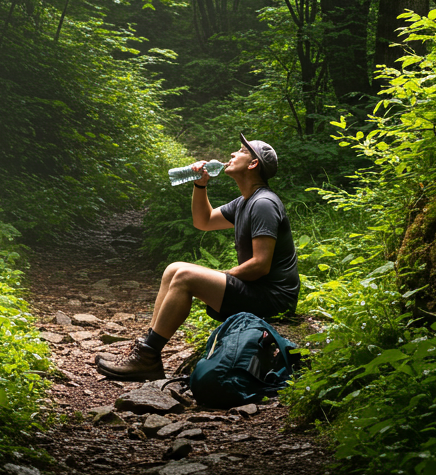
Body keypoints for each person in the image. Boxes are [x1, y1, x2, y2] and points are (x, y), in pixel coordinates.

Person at [95, 134, 299, 381]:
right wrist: (200, 185)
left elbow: (260, 265)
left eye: (240, 152)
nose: (232, 155)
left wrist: (220, 278)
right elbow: (203, 221)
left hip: (273, 300)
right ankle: (147, 350)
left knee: (186, 276)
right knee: (174, 269)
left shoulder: (263, 203)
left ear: (253, 164)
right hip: (258, 291)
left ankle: (147, 358)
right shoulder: (245, 202)